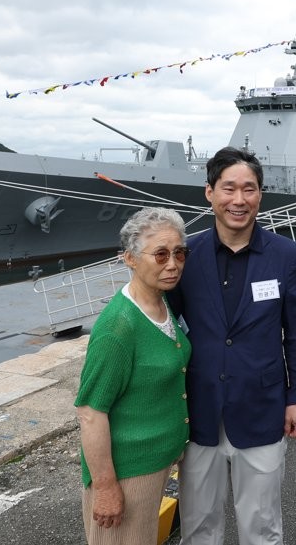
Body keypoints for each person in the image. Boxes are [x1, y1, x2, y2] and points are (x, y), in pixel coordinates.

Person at [173, 147, 296, 545]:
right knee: (199, 524)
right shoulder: (187, 255)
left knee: (262, 525)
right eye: (229, 188)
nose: (239, 200)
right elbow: (167, 326)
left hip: (263, 406)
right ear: (210, 193)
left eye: (249, 189)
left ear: (260, 195)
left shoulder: (285, 255)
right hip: (199, 411)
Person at [75, 207, 191, 545]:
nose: (172, 264)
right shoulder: (118, 328)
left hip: (155, 463)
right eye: (160, 254)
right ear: (129, 259)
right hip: (129, 471)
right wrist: (106, 487)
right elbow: (90, 413)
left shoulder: (160, 301)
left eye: (179, 253)